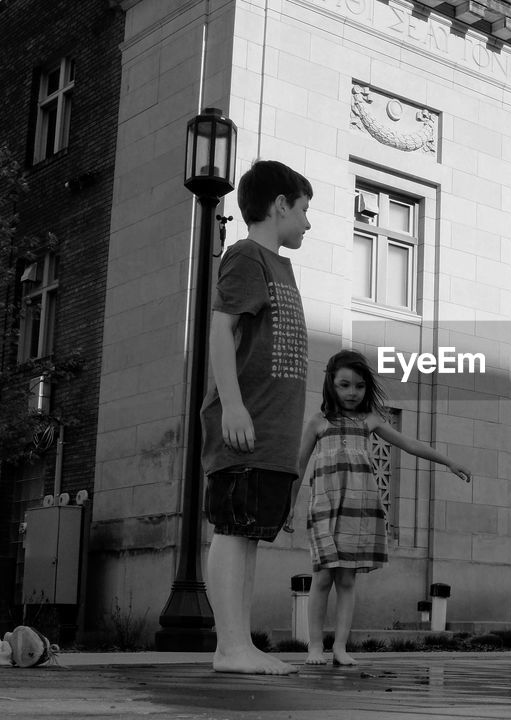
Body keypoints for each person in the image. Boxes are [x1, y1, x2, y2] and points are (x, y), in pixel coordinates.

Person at [200, 159, 313, 675]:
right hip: (246, 423)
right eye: (304, 210)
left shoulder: (279, 266)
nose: (307, 223)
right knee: (231, 528)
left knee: (246, 533)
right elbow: (221, 330)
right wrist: (235, 405)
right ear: (281, 205)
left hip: (271, 429)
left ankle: (239, 645)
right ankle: (229, 648)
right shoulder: (248, 255)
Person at [298, 349, 472, 666]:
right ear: (331, 385)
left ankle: (339, 647)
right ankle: (314, 646)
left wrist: (449, 461)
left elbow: (410, 444)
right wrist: (284, 509)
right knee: (322, 579)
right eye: (345, 385)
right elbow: (298, 468)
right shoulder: (318, 423)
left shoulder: (370, 420)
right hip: (325, 510)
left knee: (347, 581)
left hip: (358, 512)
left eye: (360, 386)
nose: (352, 392)